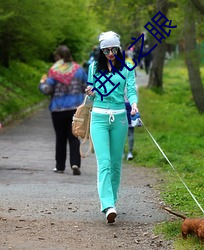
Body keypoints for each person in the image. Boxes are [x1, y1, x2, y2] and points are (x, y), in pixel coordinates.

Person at [85, 31, 138, 223]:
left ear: (118, 48)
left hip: (120, 118)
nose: (110, 53)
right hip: (98, 117)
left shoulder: (127, 67)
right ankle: (107, 205)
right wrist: (90, 92)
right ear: (101, 50)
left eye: (113, 49)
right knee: (104, 163)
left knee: (116, 164)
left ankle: (112, 201)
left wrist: (133, 104)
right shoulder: (94, 67)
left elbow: (131, 90)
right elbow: (91, 94)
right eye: (106, 50)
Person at [39, 45, 87, 175]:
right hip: (75, 109)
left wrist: (42, 83)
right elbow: (86, 87)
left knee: (60, 138)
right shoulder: (79, 70)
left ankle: (60, 167)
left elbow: (47, 90)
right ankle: (75, 163)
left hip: (58, 109)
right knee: (74, 136)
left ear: (58, 57)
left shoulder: (54, 71)